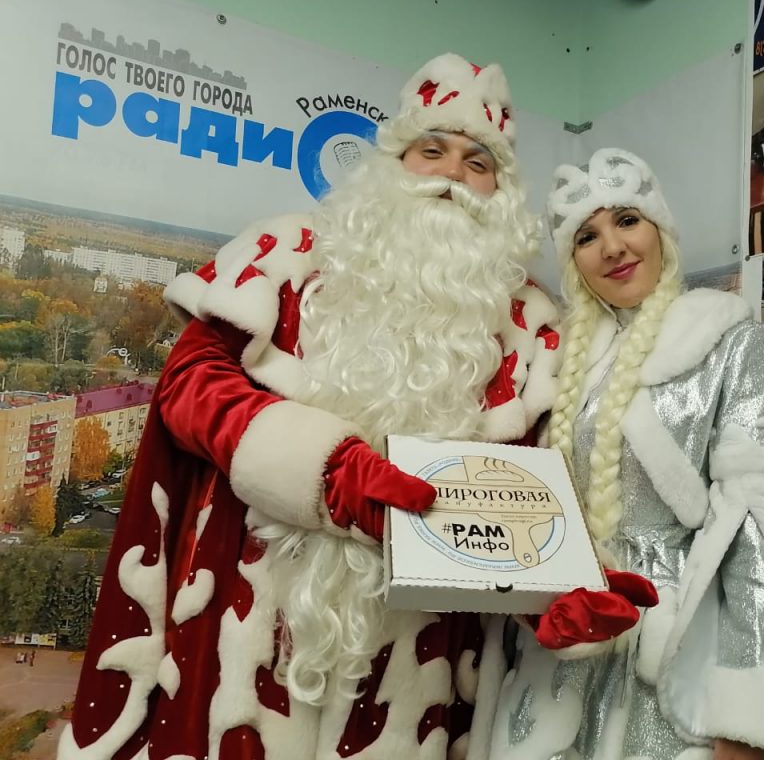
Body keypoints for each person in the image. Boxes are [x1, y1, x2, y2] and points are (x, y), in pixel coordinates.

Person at [58, 53, 564, 760]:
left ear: (501, 191)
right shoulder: (288, 253)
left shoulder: (530, 329)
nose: (452, 174)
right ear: (394, 163)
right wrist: (325, 470)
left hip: (414, 664)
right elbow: (190, 383)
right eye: (433, 150)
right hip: (243, 619)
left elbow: (530, 500)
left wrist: (557, 594)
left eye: (477, 163)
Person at [488, 148, 764, 759]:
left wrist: (746, 715)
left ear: (660, 228)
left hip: (673, 648)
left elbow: (753, 529)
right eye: (587, 236)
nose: (612, 247)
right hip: (564, 646)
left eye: (627, 220)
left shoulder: (733, 341)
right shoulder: (563, 359)